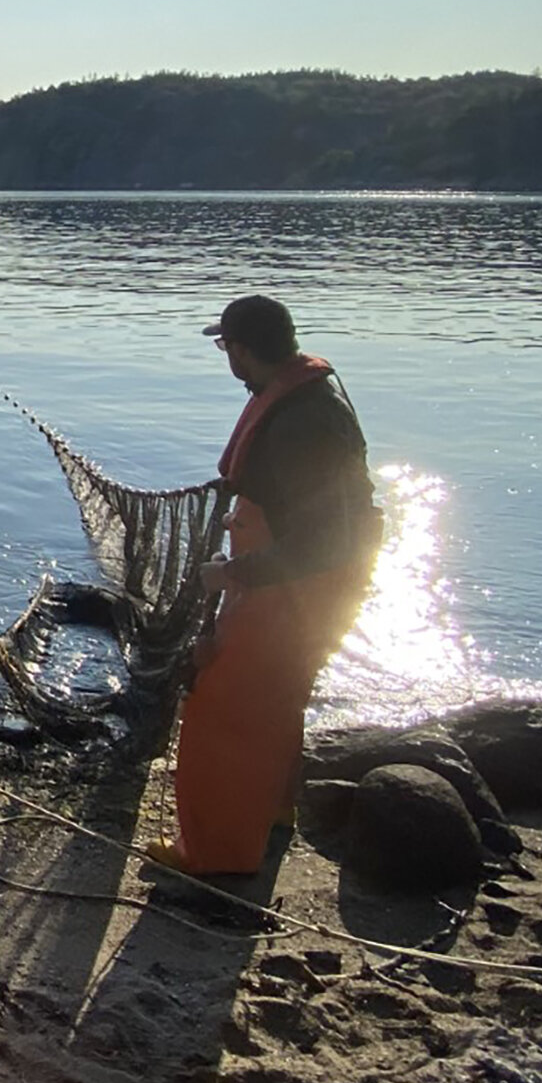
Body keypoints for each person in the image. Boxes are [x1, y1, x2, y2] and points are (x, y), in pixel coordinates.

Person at [151, 296, 381, 877]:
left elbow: (322, 540)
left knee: (223, 706)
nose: (225, 357)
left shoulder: (301, 422)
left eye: (225, 346)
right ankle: (274, 813)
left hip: (299, 585)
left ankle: (217, 854)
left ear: (243, 351)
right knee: (279, 696)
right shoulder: (304, 398)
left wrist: (232, 573)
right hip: (307, 582)